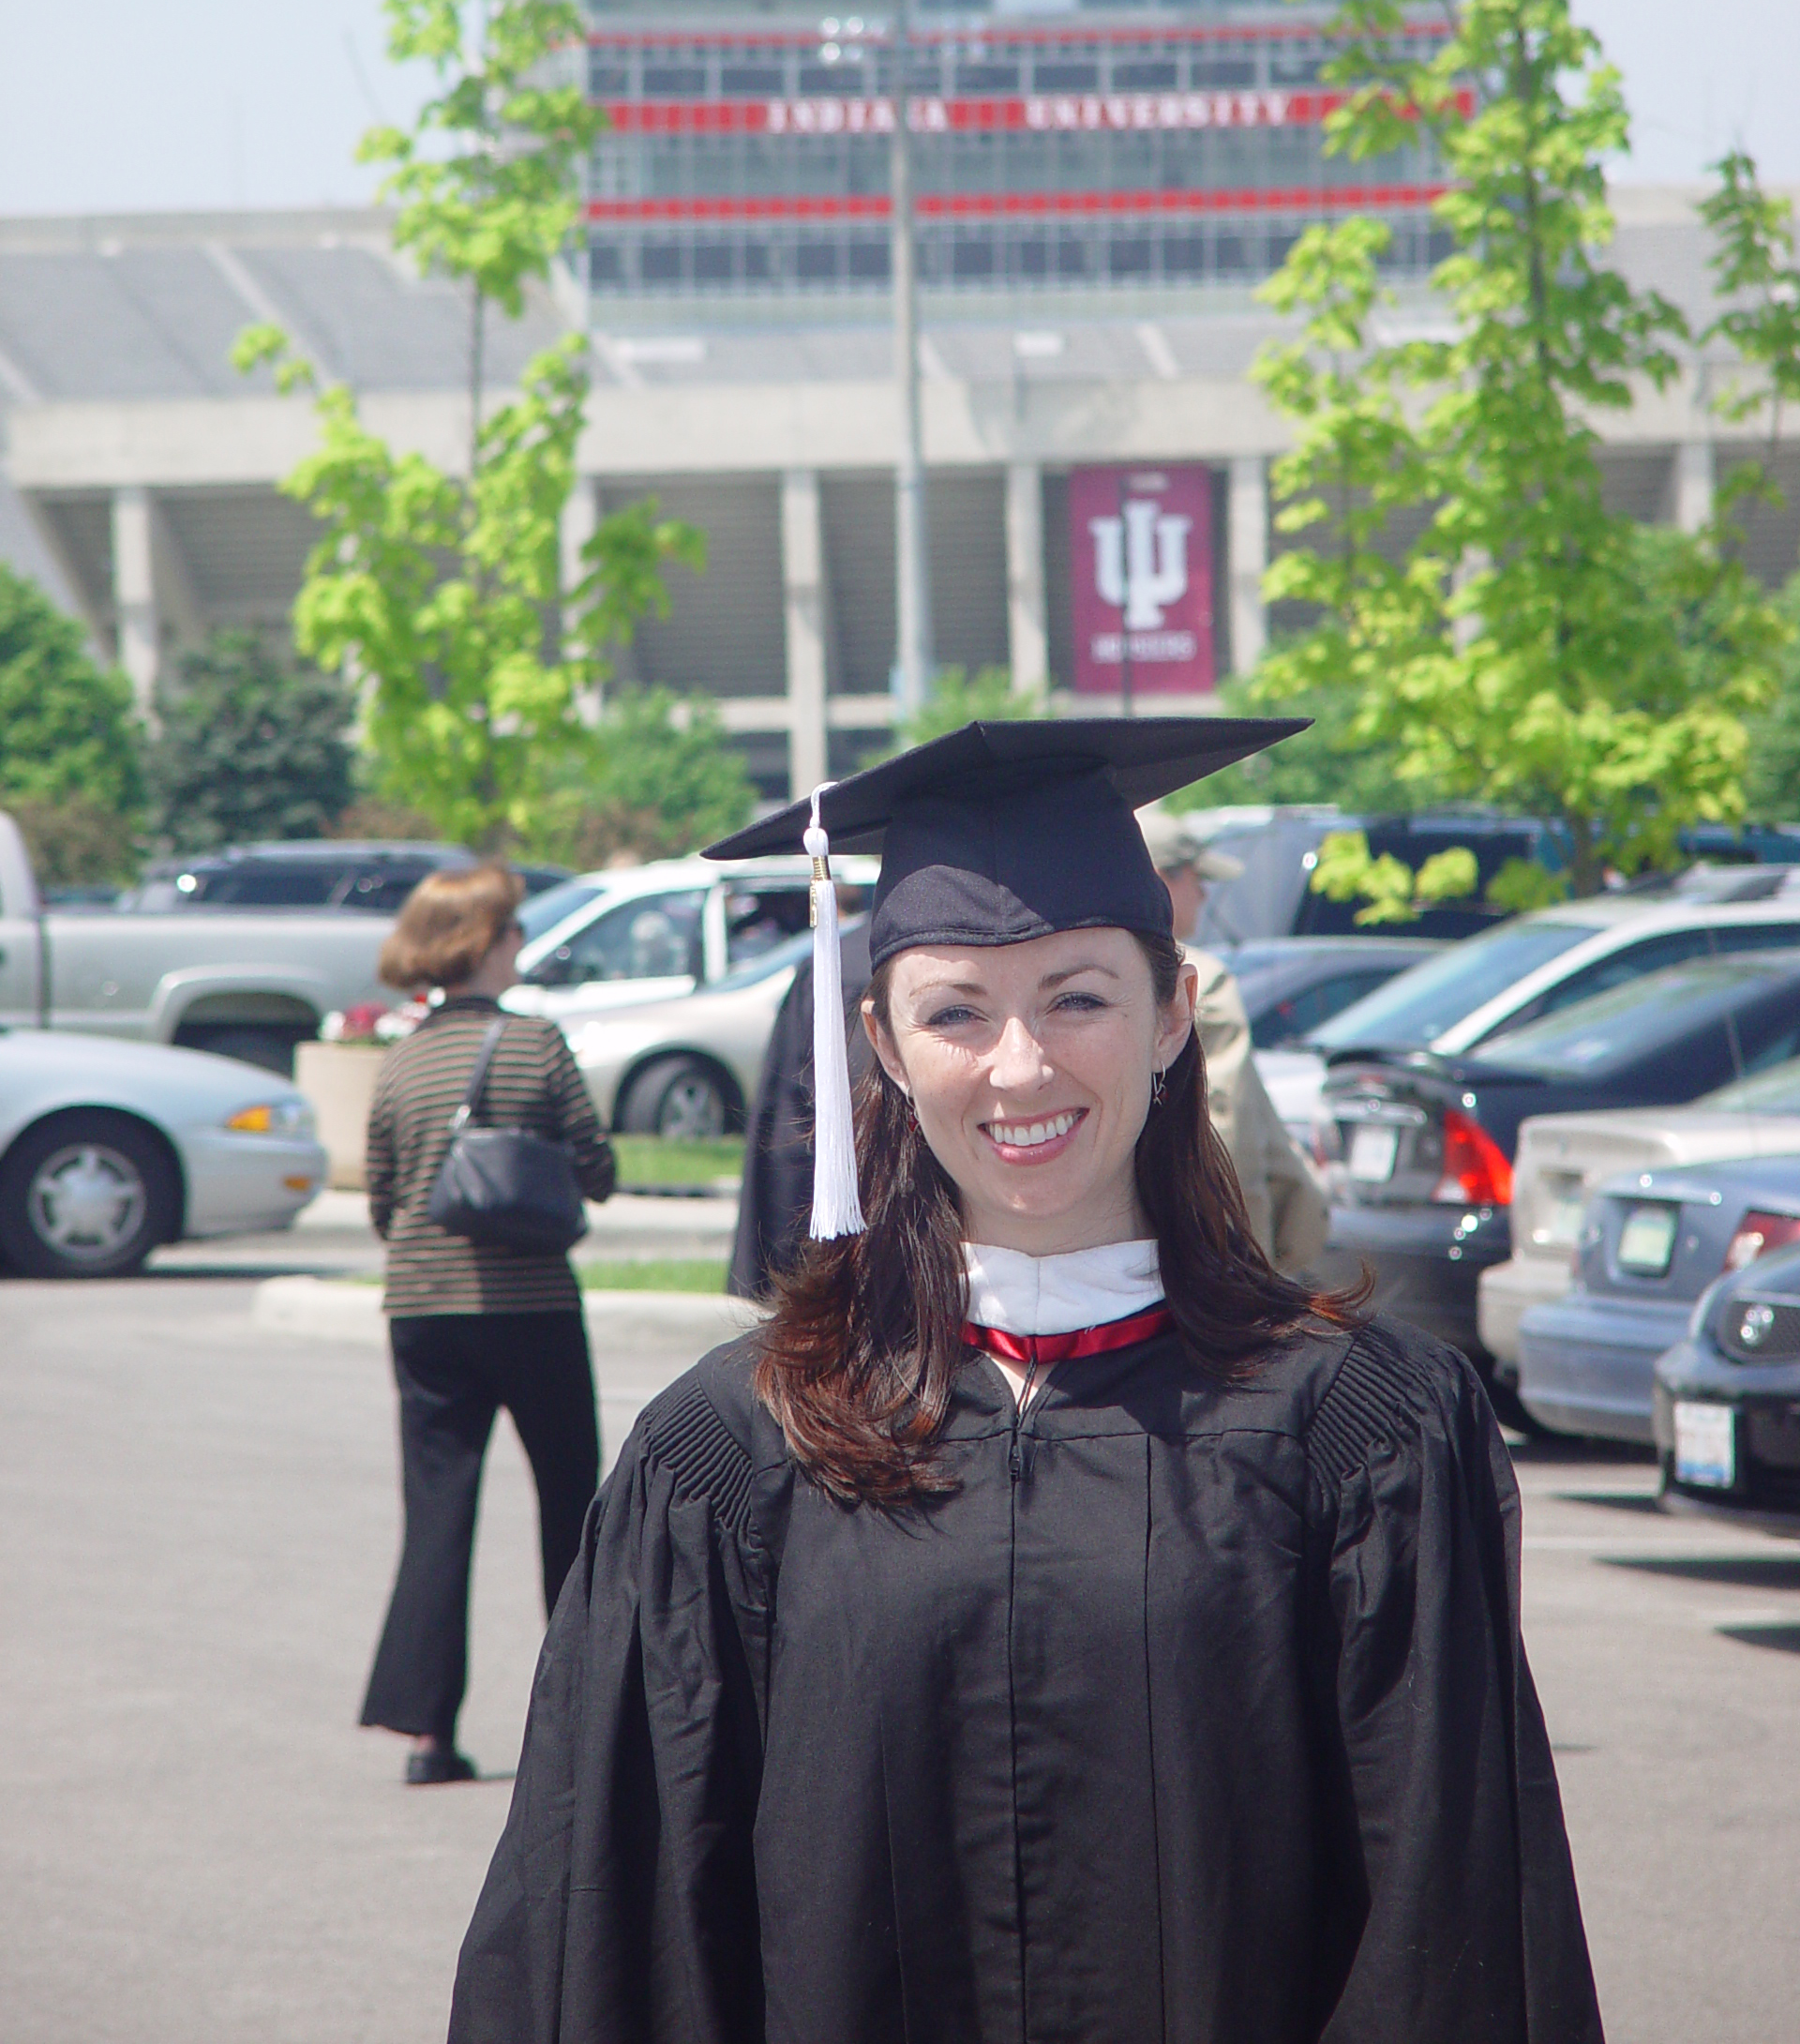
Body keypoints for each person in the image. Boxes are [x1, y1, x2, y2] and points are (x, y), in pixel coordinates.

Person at [450, 717, 1601, 2042]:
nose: (1020, 1067)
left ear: (1173, 1015)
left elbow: (1445, 1929)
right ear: (881, 1042)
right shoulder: (732, 1454)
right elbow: (622, 1932)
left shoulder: (1360, 1434)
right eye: (957, 1010)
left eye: (1078, 997)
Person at [360, 864, 616, 1786]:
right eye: (511, 934)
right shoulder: (536, 1044)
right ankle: (583, 1719)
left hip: (422, 1310)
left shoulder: (400, 1057)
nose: (519, 948)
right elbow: (595, 1165)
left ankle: (428, 1733)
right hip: (531, 1308)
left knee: (436, 1512)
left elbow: (385, 1200)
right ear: (484, 943)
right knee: (569, 1502)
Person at [1139, 805, 1329, 1277]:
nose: (1205, 894)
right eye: (1196, 879)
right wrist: (1238, 1263)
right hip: (1203, 1256)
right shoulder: (1199, 977)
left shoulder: (1075, 969)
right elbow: (1226, 1131)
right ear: (1160, 880)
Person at [728, 905, 872, 1300]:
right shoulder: (835, 971)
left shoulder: (840, 967)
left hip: (858, 1278)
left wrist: (781, 1272)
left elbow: (789, 1142)